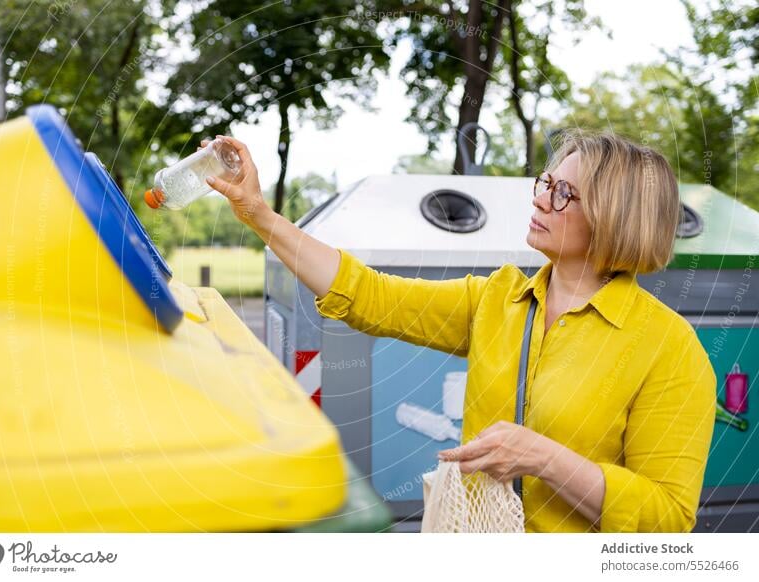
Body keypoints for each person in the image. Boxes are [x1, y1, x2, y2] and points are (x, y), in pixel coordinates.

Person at [203, 129, 716, 533]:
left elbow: (667, 519)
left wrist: (546, 459)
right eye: (546, 183)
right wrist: (256, 213)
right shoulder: (498, 299)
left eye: (565, 195)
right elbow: (369, 296)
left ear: (615, 218)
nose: (540, 199)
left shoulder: (668, 348)